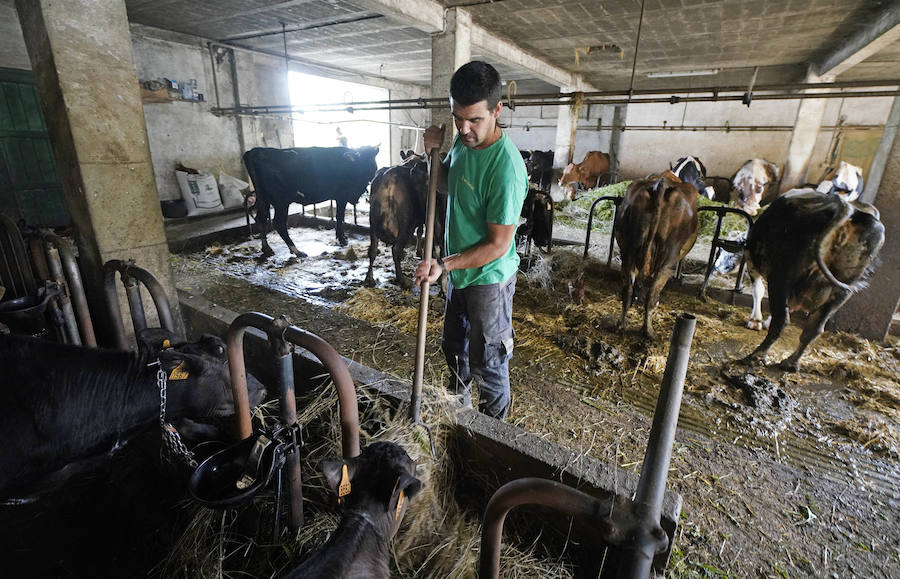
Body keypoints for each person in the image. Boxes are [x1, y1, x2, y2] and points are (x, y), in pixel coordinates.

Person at [414, 61, 528, 421]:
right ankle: (458, 417)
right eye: (457, 118)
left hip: (488, 279)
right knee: (454, 350)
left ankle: (492, 434)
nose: (464, 129)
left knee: (488, 363)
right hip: (459, 274)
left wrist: (443, 264)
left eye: (474, 120)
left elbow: (497, 245)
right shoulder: (464, 144)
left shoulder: (505, 168)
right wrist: (432, 155)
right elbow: (445, 184)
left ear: (497, 110)